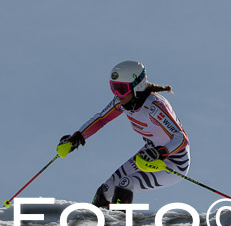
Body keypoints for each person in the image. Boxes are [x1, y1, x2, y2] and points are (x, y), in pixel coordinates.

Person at [57, 60, 190, 207]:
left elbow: (180, 138)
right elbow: (101, 119)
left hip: (174, 162)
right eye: (114, 88)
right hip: (149, 154)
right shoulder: (122, 103)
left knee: (125, 185)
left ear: (137, 86)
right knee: (105, 191)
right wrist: (77, 137)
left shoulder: (155, 107)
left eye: (121, 89)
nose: (117, 94)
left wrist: (161, 153)